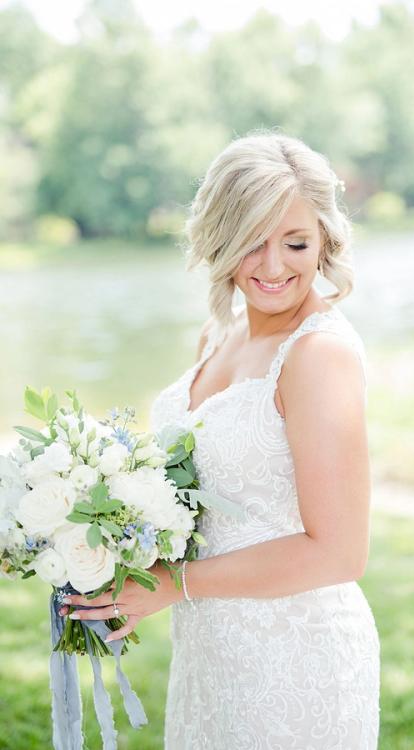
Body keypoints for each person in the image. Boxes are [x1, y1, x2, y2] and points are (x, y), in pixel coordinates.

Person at [59, 130, 381, 749]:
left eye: (295, 243)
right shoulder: (218, 334)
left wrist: (172, 584)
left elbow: (340, 553)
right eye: (251, 243)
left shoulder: (317, 355)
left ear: (325, 241)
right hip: (212, 650)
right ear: (220, 238)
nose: (274, 266)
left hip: (298, 658)